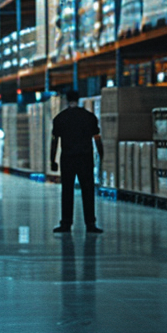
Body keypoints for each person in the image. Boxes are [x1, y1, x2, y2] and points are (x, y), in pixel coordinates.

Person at [49, 89, 103, 234]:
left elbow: (54, 141)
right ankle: (90, 223)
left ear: (66, 100)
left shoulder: (60, 118)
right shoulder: (89, 117)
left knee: (67, 191)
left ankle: (66, 223)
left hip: (67, 158)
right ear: (78, 99)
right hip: (85, 158)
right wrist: (101, 156)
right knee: (88, 190)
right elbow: (97, 138)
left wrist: (52, 160)